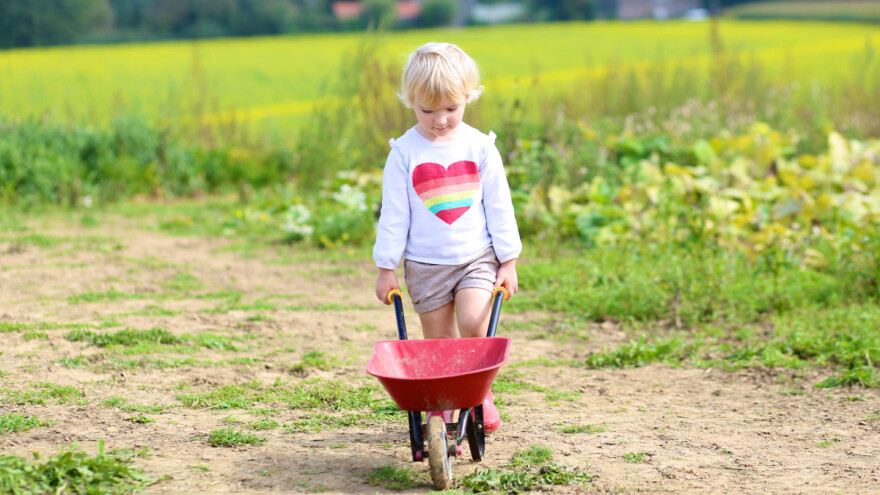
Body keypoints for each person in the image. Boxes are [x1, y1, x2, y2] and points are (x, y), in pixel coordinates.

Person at [372, 42, 522, 432]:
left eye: (451, 109)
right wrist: (386, 267)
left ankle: (478, 391)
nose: (440, 120)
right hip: (425, 266)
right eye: (428, 110)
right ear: (410, 102)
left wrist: (508, 260)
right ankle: (442, 403)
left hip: (477, 258)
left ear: (469, 97)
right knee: (439, 343)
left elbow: (499, 206)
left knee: (474, 322)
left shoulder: (480, 147)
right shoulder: (404, 153)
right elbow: (394, 216)